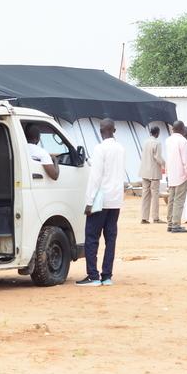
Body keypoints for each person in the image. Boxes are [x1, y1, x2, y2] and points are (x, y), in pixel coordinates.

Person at [77, 119, 125, 286]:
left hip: (100, 200)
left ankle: (93, 276)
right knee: (110, 239)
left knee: (91, 238)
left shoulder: (99, 149)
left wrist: (89, 201)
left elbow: (95, 177)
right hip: (116, 200)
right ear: (115, 130)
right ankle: (107, 276)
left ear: (100, 131)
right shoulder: (121, 149)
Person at [164, 120, 187, 233]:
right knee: (179, 201)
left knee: (171, 200)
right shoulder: (183, 141)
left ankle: (170, 223)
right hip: (181, 175)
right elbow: (186, 161)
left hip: (171, 175)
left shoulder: (168, 140)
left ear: (173, 129)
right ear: (182, 129)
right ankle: (176, 224)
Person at [139, 123, 165, 224]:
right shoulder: (157, 143)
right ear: (157, 133)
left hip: (144, 171)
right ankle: (155, 218)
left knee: (145, 195)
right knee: (155, 195)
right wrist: (165, 164)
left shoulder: (145, 142)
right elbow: (157, 157)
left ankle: (144, 218)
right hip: (154, 172)